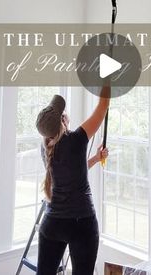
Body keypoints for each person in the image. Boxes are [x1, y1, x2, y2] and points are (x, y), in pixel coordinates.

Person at [35, 87, 110, 275]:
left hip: (52, 223)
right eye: (64, 114)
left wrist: (95, 158)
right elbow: (103, 105)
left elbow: (72, 170)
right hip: (81, 223)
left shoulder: (45, 148)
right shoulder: (76, 139)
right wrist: (107, 80)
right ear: (63, 122)